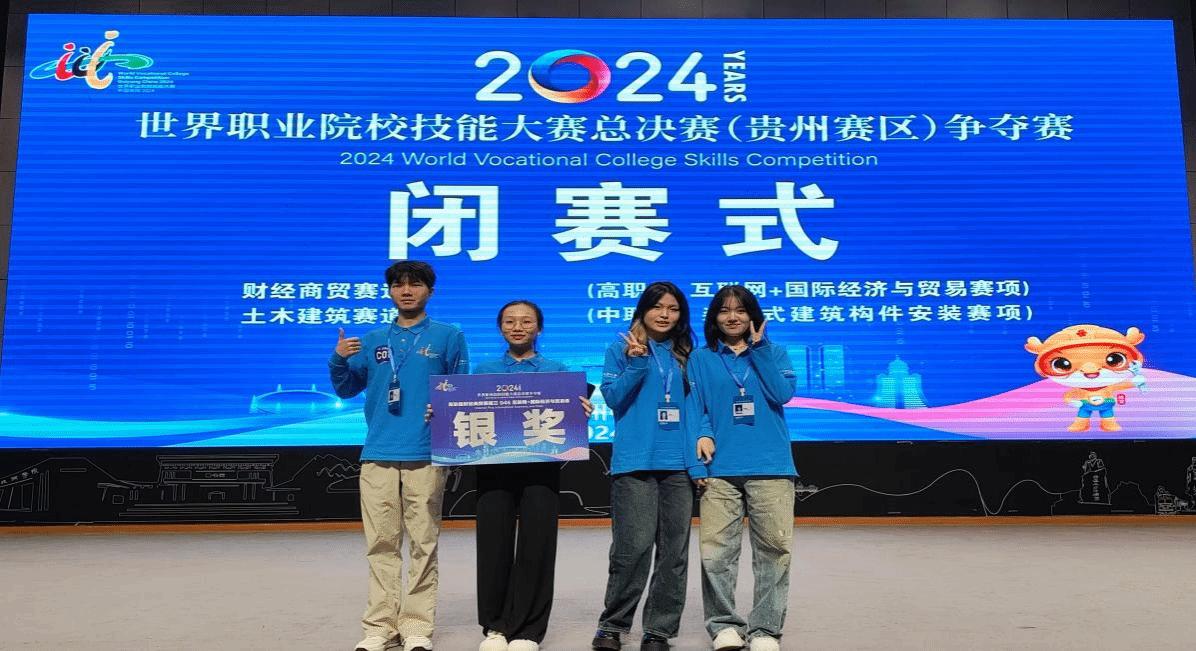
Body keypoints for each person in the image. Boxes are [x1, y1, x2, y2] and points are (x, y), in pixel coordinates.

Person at [329, 260, 469, 651]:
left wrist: (446, 410)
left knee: (424, 542)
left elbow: (459, 391)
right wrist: (338, 359)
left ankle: (416, 626)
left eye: (416, 284)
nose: (406, 291)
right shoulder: (373, 339)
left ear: (430, 292)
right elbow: (346, 389)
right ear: (390, 291)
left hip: (426, 453)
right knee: (381, 544)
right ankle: (380, 626)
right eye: (399, 285)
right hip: (377, 452)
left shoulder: (449, 336)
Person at [469, 300, 593, 651]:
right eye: (510, 321)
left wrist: (581, 412)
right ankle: (495, 626)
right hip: (493, 467)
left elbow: (568, 421)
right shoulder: (483, 371)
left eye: (526, 321)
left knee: (537, 546)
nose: (518, 327)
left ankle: (528, 630)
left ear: (539, 328)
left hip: (541, 466)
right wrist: (440, 413)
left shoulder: (557, 372)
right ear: (500, 328)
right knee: (492, 545)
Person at [592, 281, 703, 651]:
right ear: (643, 310)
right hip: (635, 461)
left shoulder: (688, 353)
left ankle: (659, 630)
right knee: (631, 550)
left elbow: (699, 407)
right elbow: (613, 398)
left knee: (674, 553)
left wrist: (697, 463)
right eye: (657, 307)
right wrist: (637, 362)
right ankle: (612, 626)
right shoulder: (620, 348)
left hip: (679, 464)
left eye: (673, 308)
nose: (664, 315)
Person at [686, 285, 798, 651]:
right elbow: (698, 405)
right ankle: (724, 626)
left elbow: (782, 394)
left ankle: (765, 630)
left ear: (753, 315)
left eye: (740, 310)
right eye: (724, 310)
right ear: (714, 317)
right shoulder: (701, 358)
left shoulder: (774, 352)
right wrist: (703, 435)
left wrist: (759, 349)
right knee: (716, 553)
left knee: (774, 552)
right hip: (719, 466)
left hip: (771, 465)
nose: (732, 317)